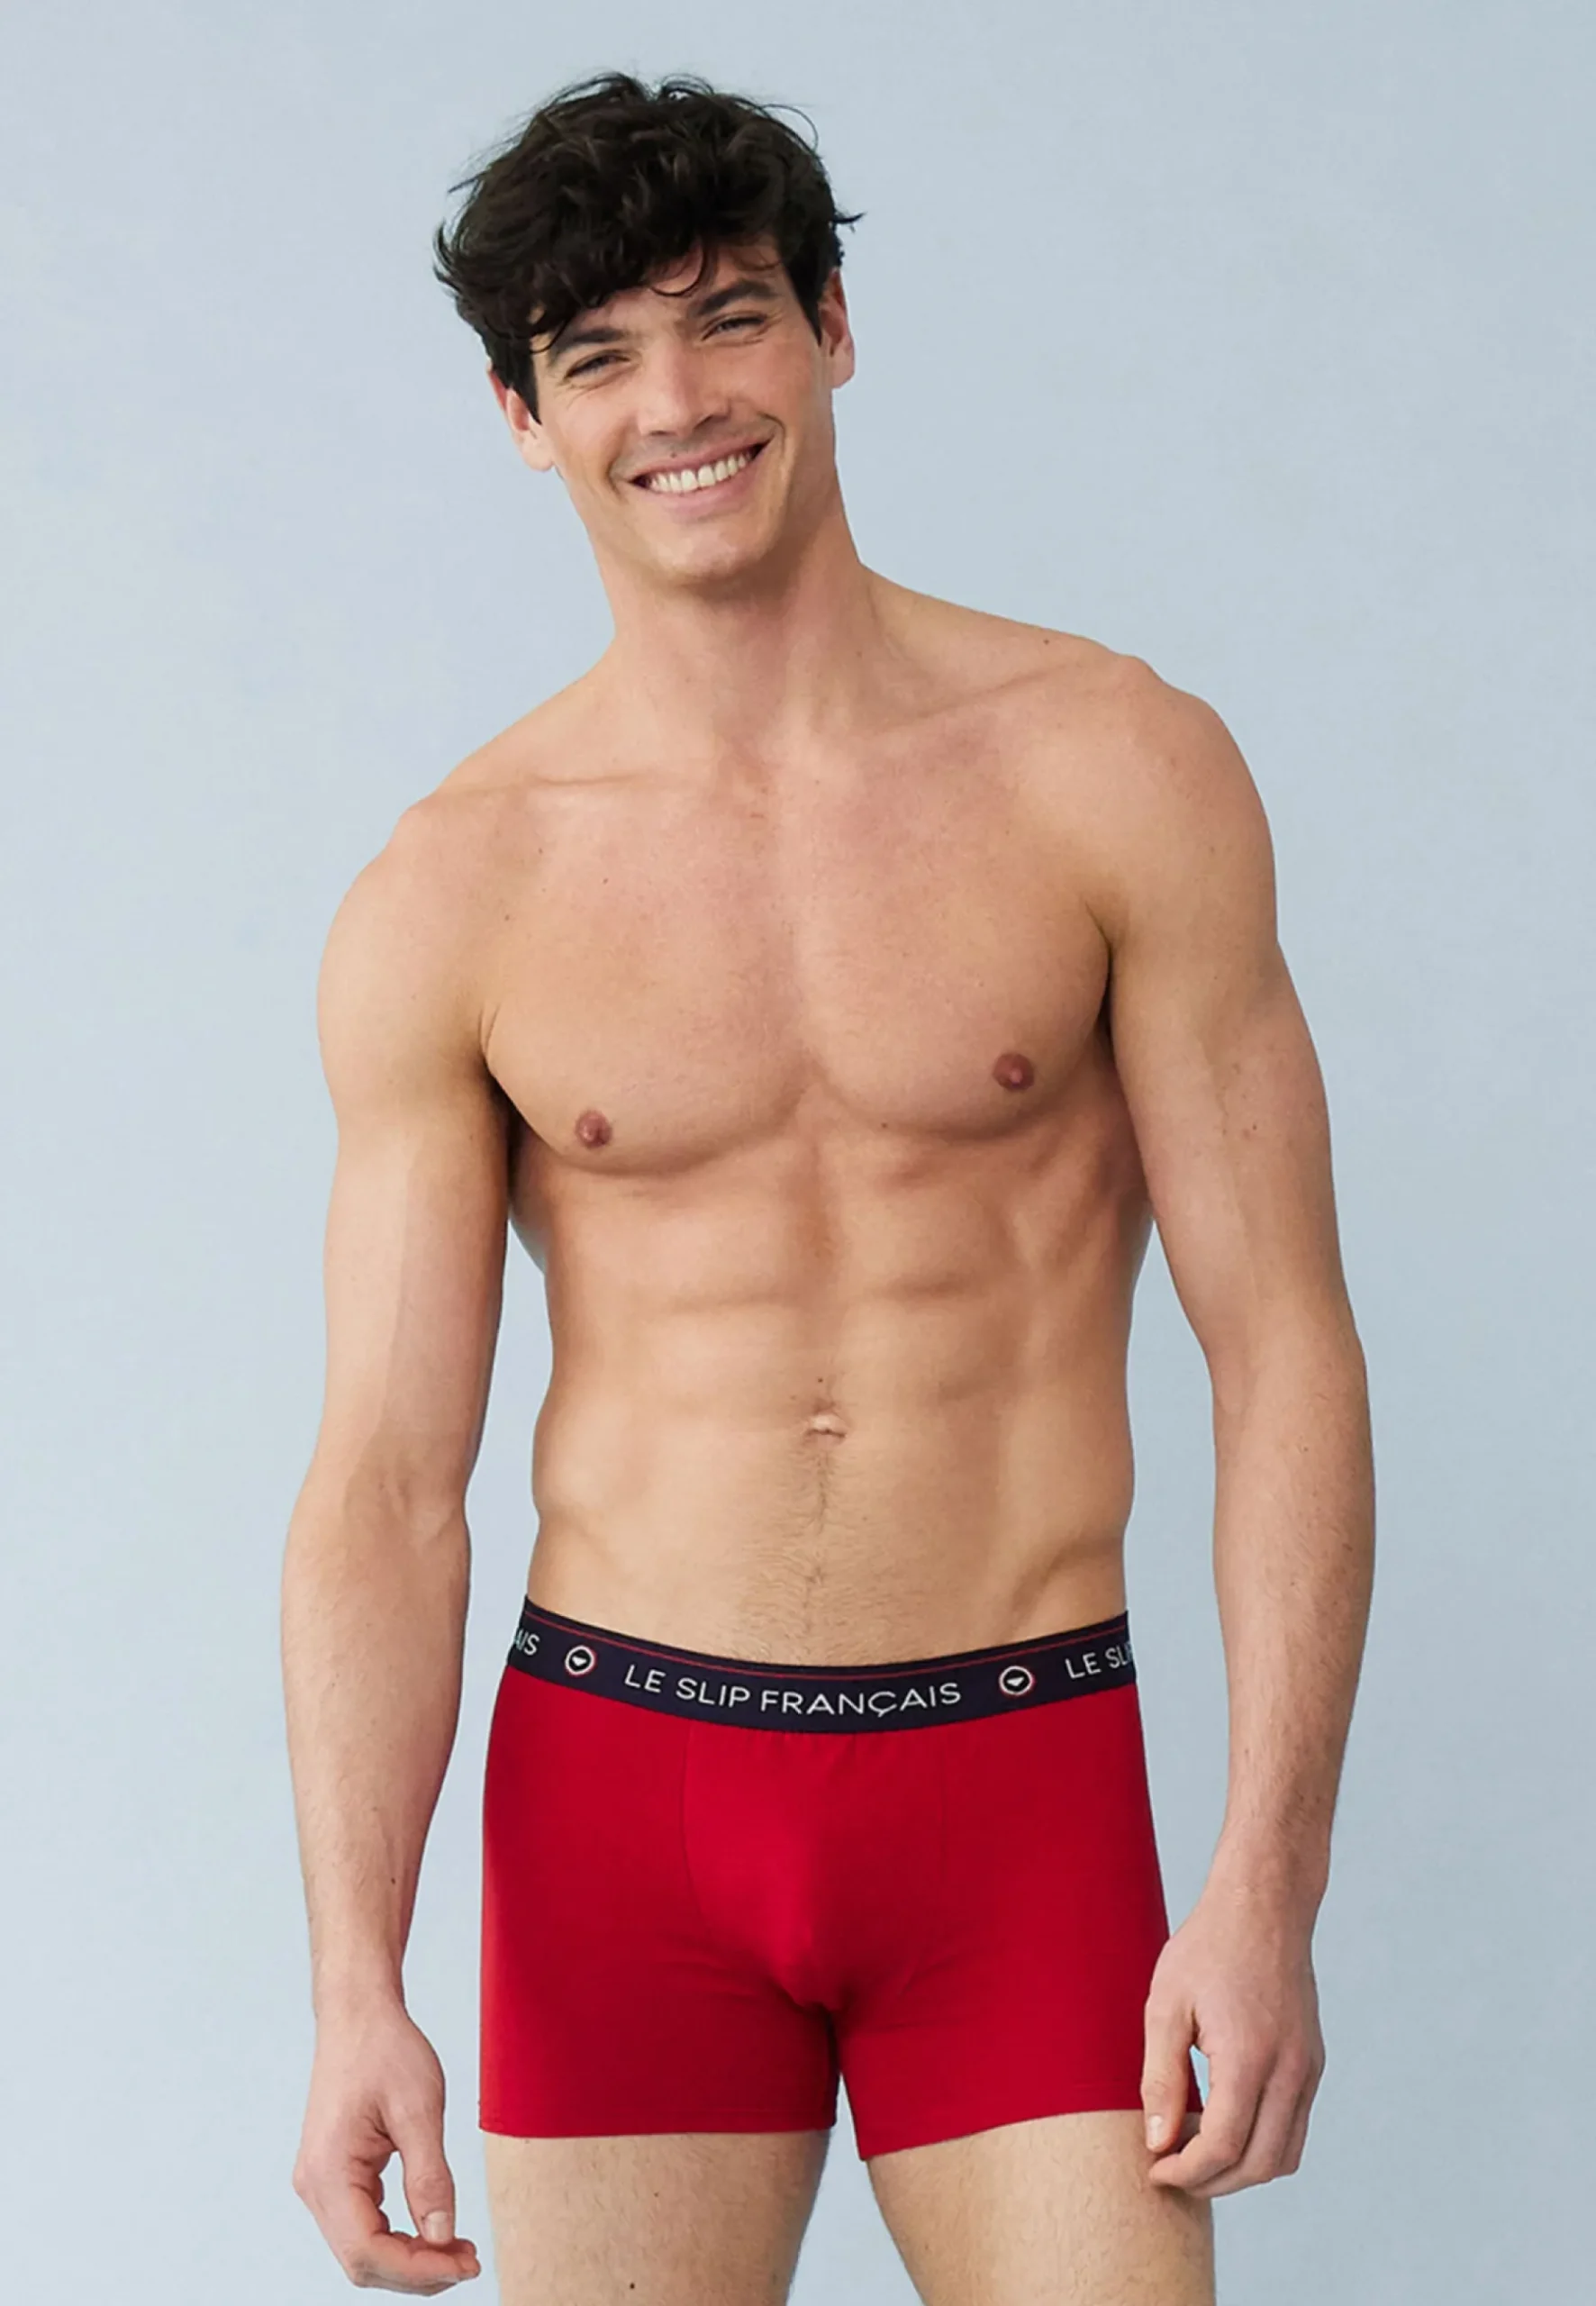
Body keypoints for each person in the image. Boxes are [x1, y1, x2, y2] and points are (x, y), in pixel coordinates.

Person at [281, 69, 1374, 2304]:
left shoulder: (1112, 768)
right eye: (599, 355)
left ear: (834, 330)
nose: (678, 403)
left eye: (729, 319)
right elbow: (387, 1479)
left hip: (1017, 1772)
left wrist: (1266, 1877)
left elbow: (1281, 1346)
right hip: (624, 1804)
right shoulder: (454, 889)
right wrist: (353, 1981)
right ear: (523, 419)